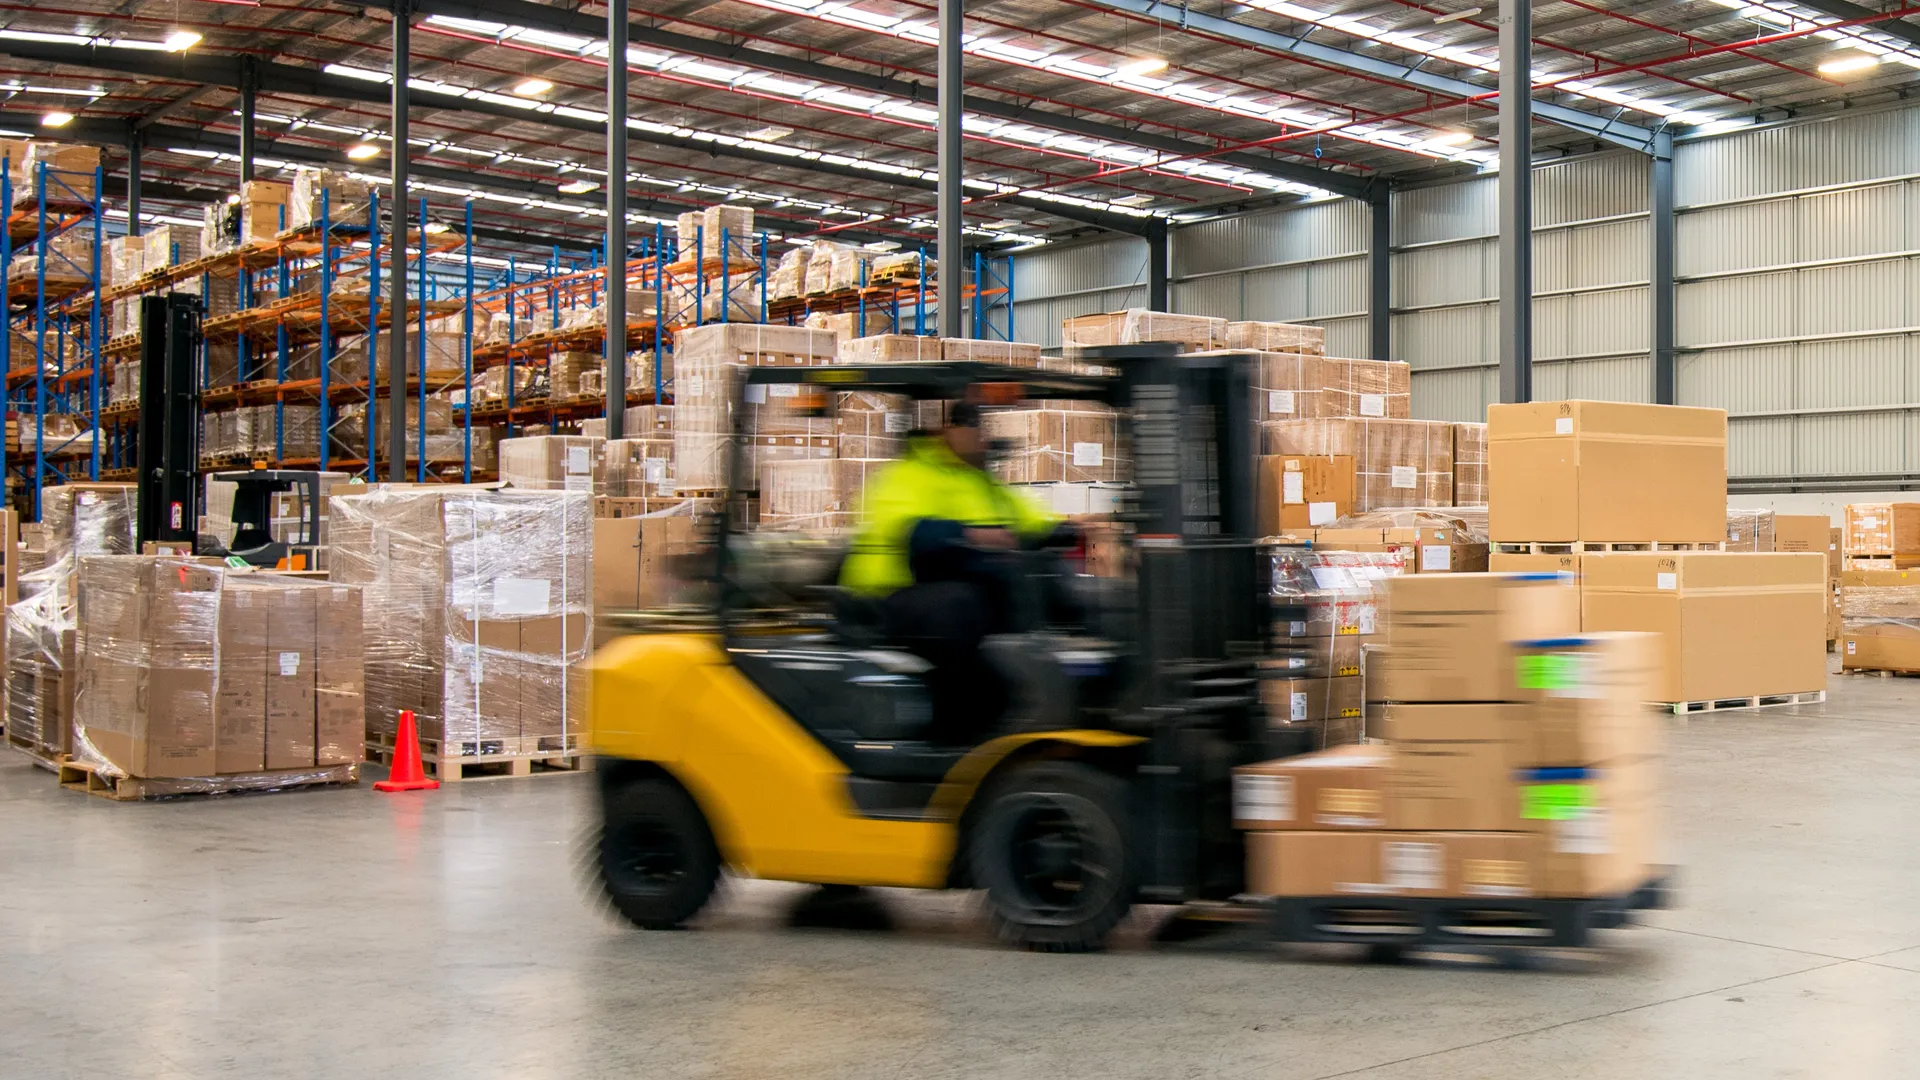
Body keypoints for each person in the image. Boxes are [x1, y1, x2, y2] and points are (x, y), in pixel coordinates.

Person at [838, 402, 1058, 745]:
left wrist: (1072, 529)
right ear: (948, 428)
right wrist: (973, 534)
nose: (984, 437)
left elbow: (1026, 519)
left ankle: (1036, 710)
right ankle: (956, 733)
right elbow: (912, 531)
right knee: (959, 610)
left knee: (1046, 589)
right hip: (890, 593)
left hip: (945, 586)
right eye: (975, 426)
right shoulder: (909, 474)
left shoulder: (976, 478)